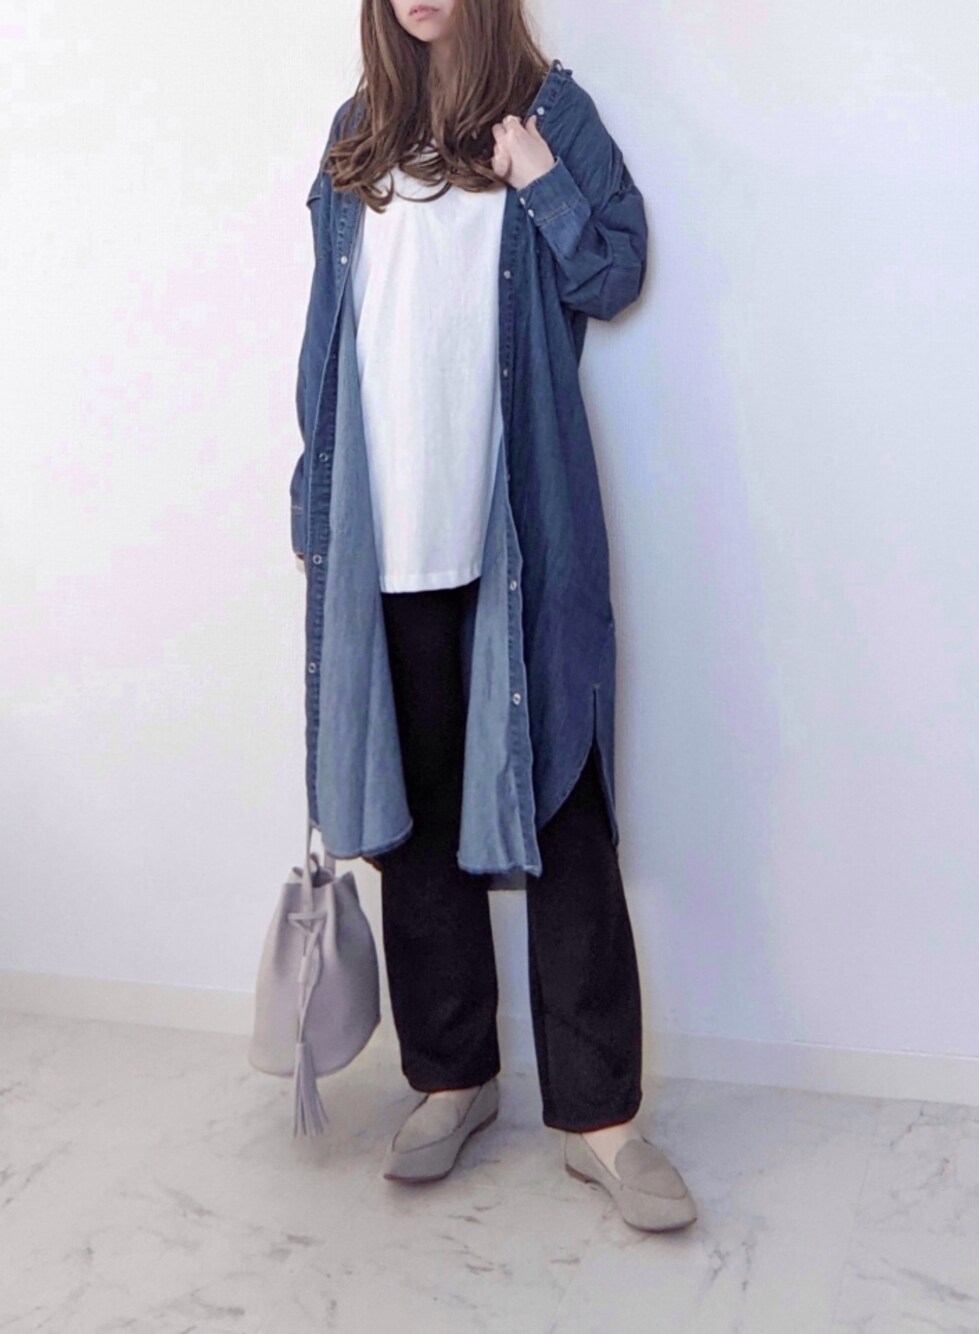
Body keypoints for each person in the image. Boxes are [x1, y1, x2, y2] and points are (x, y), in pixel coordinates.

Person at [291, 0, 697, 1232]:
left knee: (563, 805)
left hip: (519, 530)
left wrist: (540, 178)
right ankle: (451, 1076)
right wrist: (312, 499)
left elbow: (614, 272)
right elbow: (326, 339)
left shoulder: (550, 110)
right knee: (414, 818)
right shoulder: (357, 133)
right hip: (383, 537)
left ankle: (602, 1116)